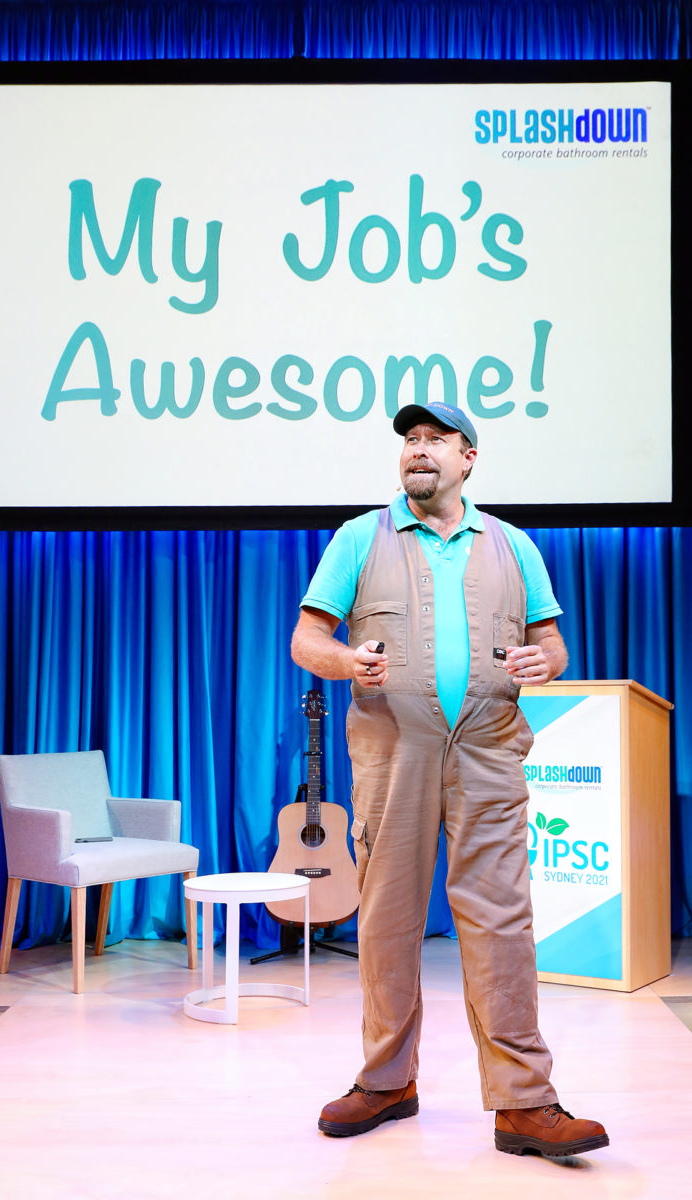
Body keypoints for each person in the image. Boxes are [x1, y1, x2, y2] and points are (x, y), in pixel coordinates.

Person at [290, 401, 608, 1157]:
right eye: (409, 441)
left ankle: (524, 1103)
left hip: (489, 754)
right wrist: (343, 662)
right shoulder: (358, 539)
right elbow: (308, 638)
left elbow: (551, 641)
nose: (418, 451)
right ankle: (387, 1081)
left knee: (501, 924)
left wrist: (547, 660)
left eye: (436, 440)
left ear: (469, 459)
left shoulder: (514, 545)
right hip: (394, 755)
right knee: (388, 922)